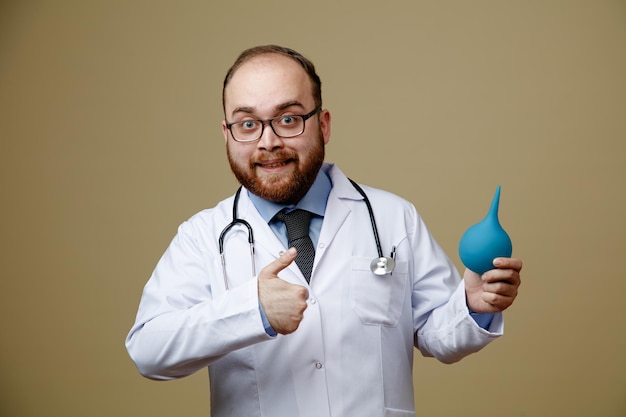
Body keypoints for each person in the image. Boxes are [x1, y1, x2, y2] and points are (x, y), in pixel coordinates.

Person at [126, 45, 522, 417]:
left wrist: (471, 305)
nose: (268, 141)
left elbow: (438, 335)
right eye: (247, 123)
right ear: (228, 134)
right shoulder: (203, 236)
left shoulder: (392, 217)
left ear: (324, 125)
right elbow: (149, 350)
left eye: (288, 119)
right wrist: (252, 310)